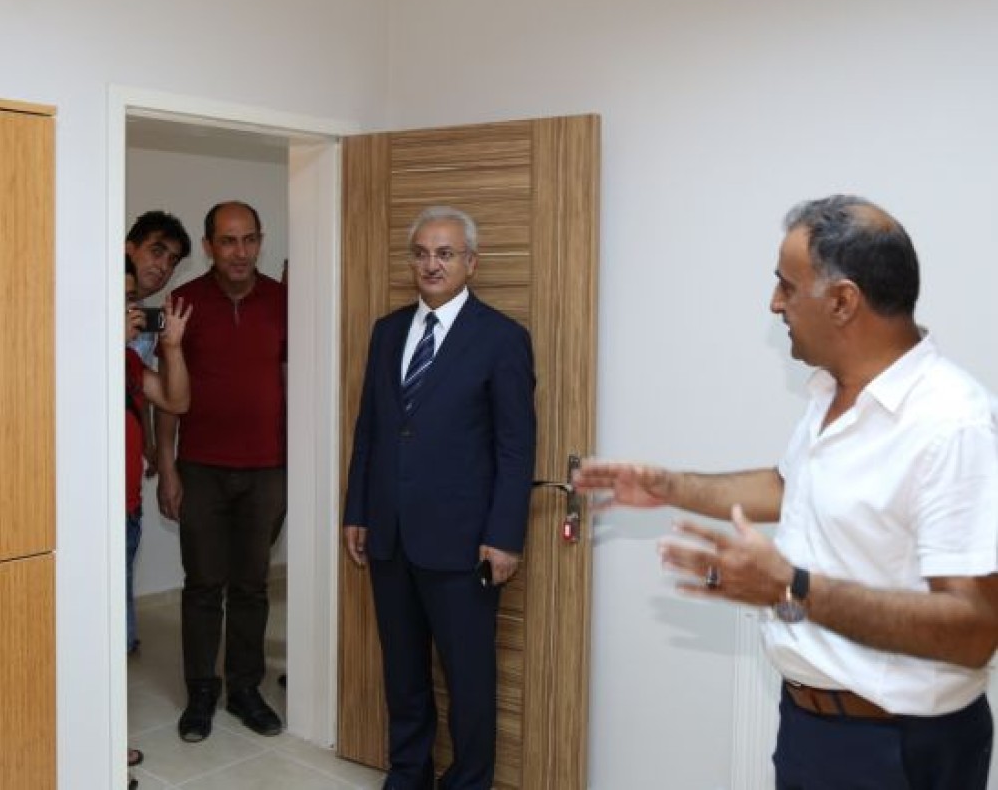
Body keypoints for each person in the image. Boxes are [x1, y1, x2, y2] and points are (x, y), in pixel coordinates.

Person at [574, 195, 998, 790]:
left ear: (843, 300)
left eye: (786, 286)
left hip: (898, 748)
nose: (775, 303)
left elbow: (975, 629)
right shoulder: (832, 392)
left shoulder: (952, 424)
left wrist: (791, 587)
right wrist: (668, 486)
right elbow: (789, 487)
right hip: (809, 728)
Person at [342, 205, 536, 790]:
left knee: (469, 680)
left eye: (445, 253)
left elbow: (515, 448)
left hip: (463, 544)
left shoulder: (502, 339)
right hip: (390, 535)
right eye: (422, 253)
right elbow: (370, 429)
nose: (432, 264)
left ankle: (469, 781)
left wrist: (504, 536)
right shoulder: (387, 331)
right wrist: (357, 510)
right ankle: (408, 774)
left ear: (470, 262)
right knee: (403, 674)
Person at [155, 201, 288, 742]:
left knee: (252, 585)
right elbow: (168, 394)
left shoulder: (283, 301)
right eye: (228, 241)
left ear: (260, 240)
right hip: (201, 469)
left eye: (249, 239)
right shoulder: (183, 303)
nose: (240, 252)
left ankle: (245, 690)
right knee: (204, 585)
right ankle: (201, 693)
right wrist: (167, 468)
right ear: (209, 246)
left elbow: (294, 381)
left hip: (268, 469)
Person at [122, 254, 191, 779]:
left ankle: (106, 734)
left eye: (130, 300)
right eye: (118, 300)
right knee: (97, 637)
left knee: (117, 637)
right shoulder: (70, 350)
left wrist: (170, 348)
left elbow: (175, 399)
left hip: (126, 512)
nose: (129, 310)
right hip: (84, 524)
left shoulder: (127, 360)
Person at [126, 210, 192, 366]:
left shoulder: (148, 319)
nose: (164, 266)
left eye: (172, 261)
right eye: (157, 252)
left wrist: (172, 348)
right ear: (129, 249)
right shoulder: (90, 299)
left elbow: (144, 380)